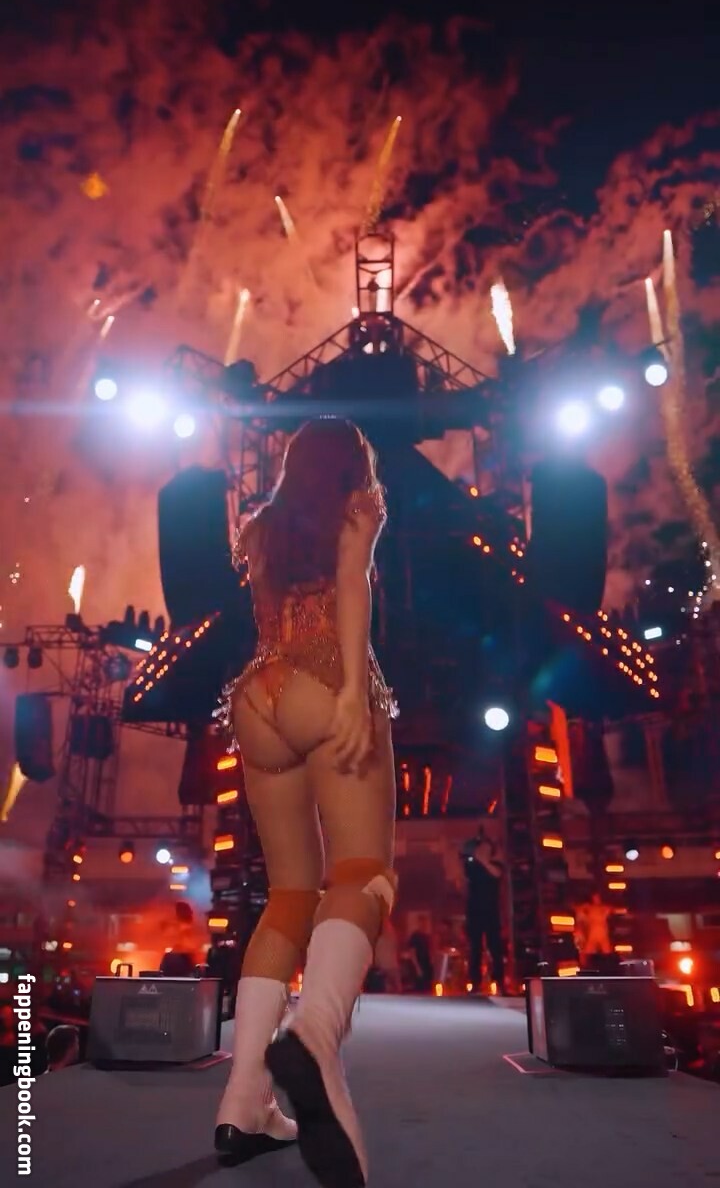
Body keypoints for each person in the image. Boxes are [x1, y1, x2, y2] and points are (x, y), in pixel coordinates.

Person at [214, 418, 397, 1188]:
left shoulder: (261, 527)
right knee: (362, 873)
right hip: (325, 684)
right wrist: (353, 693)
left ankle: (243, 1102)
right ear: (351, 464)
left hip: (256, 699)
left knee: (289, 894)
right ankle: (315, 1036)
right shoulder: (358, 505)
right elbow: (353, 584)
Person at [463, 826, 505, 994]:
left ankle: (499, 981)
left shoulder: (494, 864)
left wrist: (485, 860)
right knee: (475, 947)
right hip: (475, 910)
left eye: (486, 849)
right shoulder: (472, 867)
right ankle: (475, 982)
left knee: (495, 947)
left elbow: (497, 874)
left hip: (491, 911)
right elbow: (463, 872)